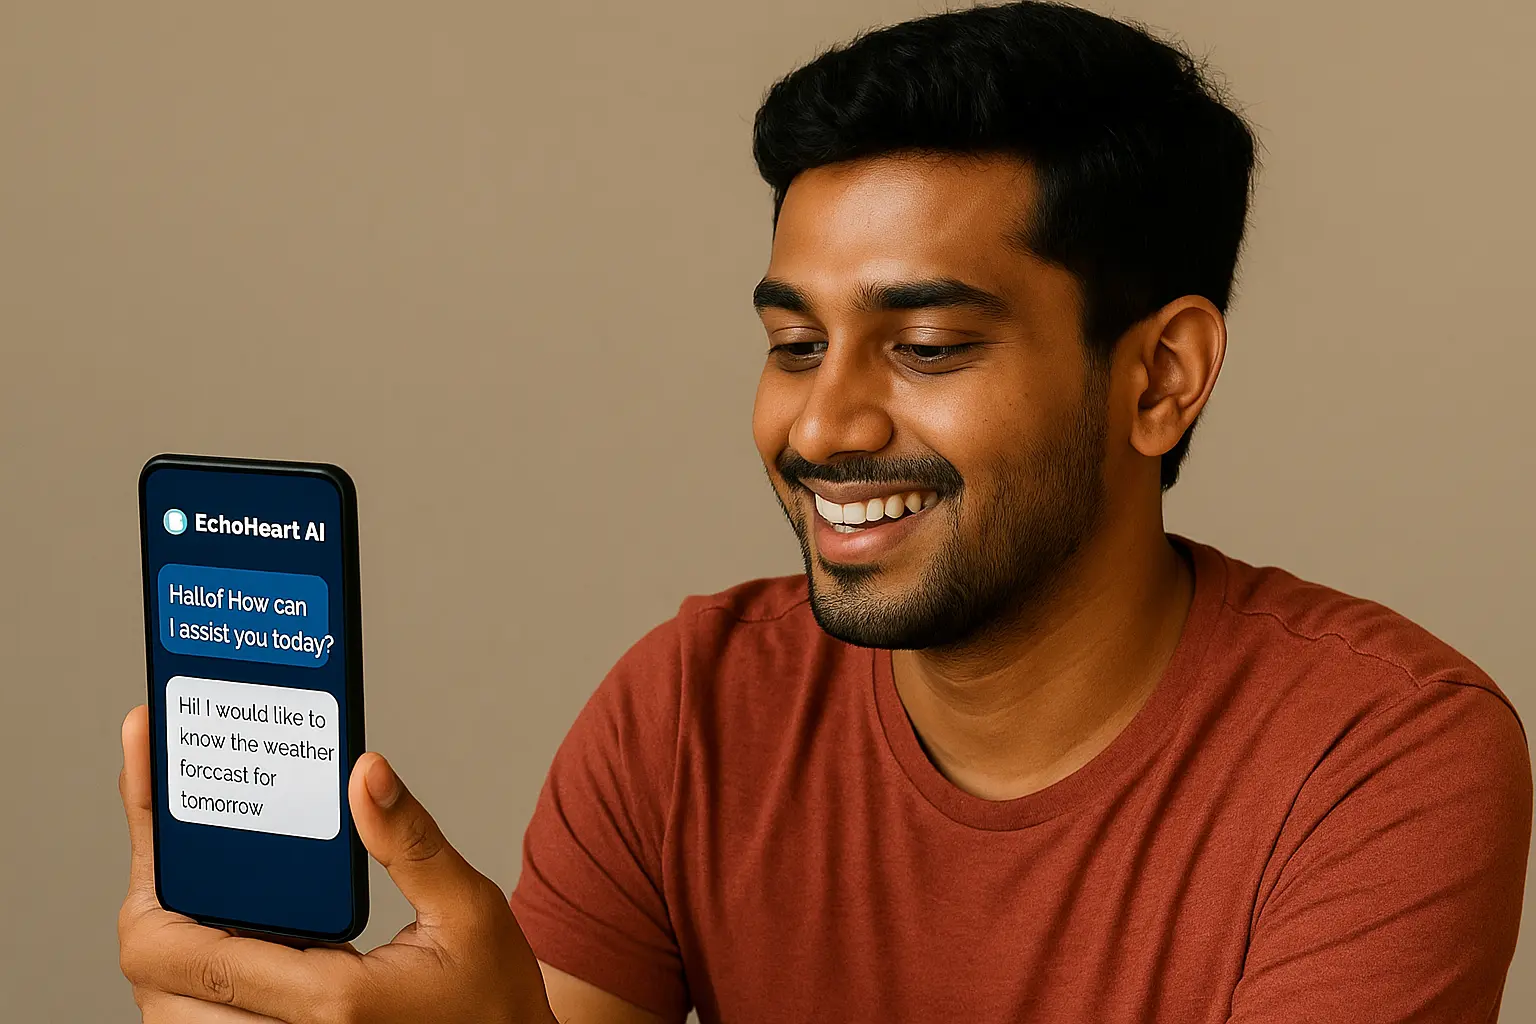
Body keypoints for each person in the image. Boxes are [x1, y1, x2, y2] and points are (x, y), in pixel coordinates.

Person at [116, 2, 1532, 1021]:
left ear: (1159, 376)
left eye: (925, 347)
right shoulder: (690, 708)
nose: (822, 427)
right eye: (796, 344)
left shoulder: (1383, 758)